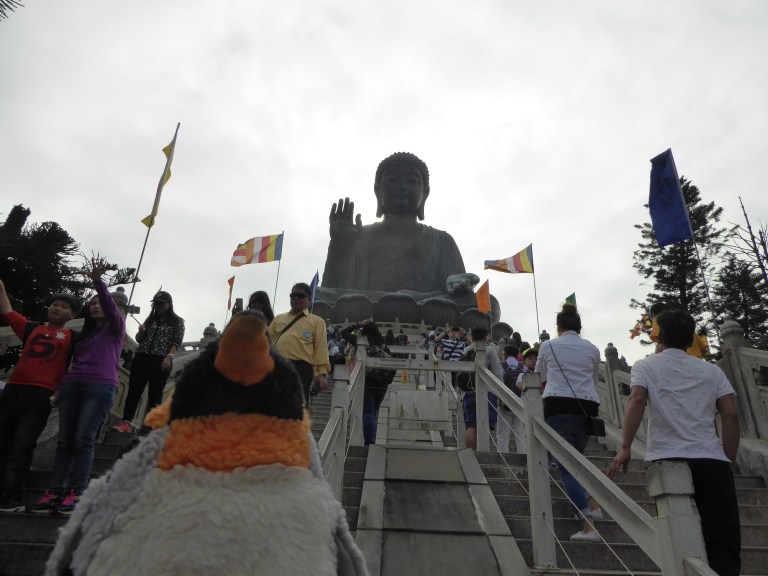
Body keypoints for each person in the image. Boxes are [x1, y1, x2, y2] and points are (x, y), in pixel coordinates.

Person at [608, 310, 740, 576]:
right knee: (723, 541)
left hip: (667, 459)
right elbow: (730, 413)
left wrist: (625, 447)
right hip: (711, 459)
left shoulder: (646, 365)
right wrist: (728, 457)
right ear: (691, 338)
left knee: (675, 533)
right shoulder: (711, 371)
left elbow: (636, 399)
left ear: (659, 336)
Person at [29, 260, 126, 514]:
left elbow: (109, 306)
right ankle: (55, 490)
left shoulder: (115, 329)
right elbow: (73, 364)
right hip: (73, 387)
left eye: (100, 303)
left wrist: (98, 282)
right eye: (91, 304)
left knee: (84, 440)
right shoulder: (84, 336)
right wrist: (61, 389)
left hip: (99, 387)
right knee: (64, 441)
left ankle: (77, 491)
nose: (96, 306)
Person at [0, 282, 80, 512]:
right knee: (2, 441)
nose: (56, 308)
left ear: (72, 315)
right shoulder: (31, 328)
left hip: (41, 394)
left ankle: (12, 497)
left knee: (22, 444)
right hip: (13, 389)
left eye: (63, 307)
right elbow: (7, 311)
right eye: (54, 304)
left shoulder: (72, 338)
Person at [535, 304, 601, 541]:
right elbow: (593, 379)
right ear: (579, 327)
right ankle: (592, 504)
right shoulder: (592, 348)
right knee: (575, 461)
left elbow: (539, 376)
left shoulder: (549, 345)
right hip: (587, 409)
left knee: (565, 467)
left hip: (558, 406)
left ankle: (588, 525)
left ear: (559, 327)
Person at [113, 291, 185, 433]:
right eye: (155, 303)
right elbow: (139, 339)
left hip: (160, 359)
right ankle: (125, 422)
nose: (157, 306)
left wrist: (169, 357)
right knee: (134, 390)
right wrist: (141, 332)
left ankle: (153, 426)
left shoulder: (177, 322)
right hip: (141, 356)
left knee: (155, 393)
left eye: (161, 303)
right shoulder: (151, 319)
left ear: (169, 304)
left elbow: (177, 342)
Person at [268, 283, 331, 406]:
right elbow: (266, 342)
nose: (295, 298)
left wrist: (321, 374)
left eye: (300, 295)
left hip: (301, 368)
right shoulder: (279, 319)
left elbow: (321, 349)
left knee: (297, 406)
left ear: (308, 299)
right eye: (293, 295)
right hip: (277, 366)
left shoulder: (317, 321)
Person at [340, 319, 395, 445]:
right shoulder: (383, 344)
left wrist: (358, 324)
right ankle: (372, 441)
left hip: (368, 382)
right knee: (373, 413)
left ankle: (369, 442)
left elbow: (343, 332)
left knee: (367, 412)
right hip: (382, 384)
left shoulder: (362, 341)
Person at [459, 327, 503, 450]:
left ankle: (470, 454)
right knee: (484, 424)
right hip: (487, 392)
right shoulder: (490, 350)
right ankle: (482, 451)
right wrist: (502, 395)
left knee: (471, 426)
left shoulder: (466, 350)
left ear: (472, 337)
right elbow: (497, 373)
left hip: (468, 393)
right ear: (486, 337)